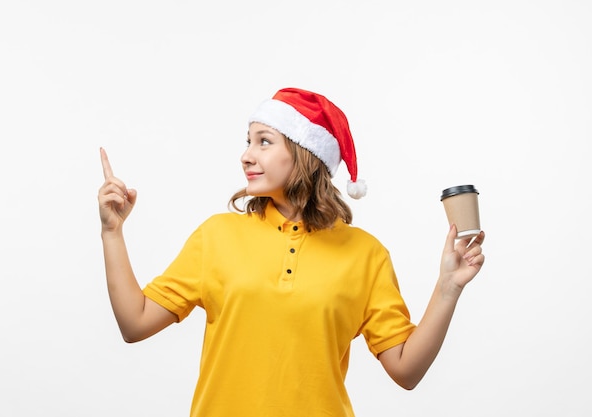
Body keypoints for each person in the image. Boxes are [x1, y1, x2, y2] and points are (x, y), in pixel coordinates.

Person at [98, 87, 485, 417]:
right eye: (248, 141)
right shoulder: (216, 236)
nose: (246, 155)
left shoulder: (366, 255)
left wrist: (448, 287)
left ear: (305, 153)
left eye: (264, 141)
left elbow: (406, 371)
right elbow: (135, 324)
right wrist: (112, 231)